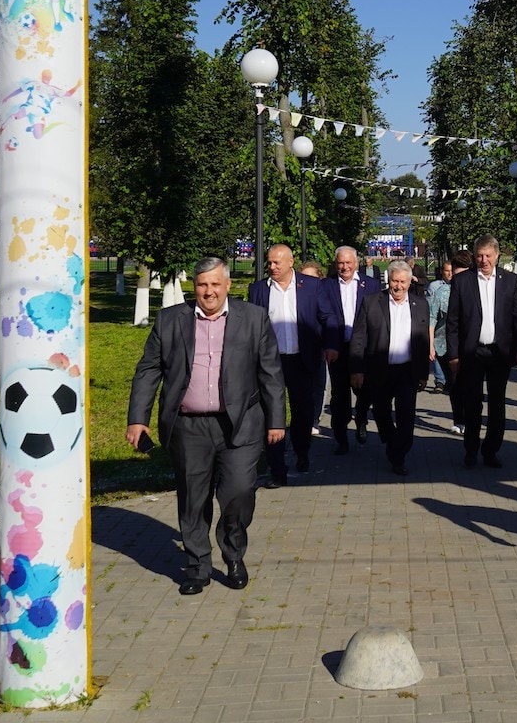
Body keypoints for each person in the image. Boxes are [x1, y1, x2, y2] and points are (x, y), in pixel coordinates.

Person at [126, 258, 285, 595]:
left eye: (215, 284)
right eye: (202, 285)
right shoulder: (170, 320)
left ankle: (234, 553)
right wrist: (138, 418)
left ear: (227, 285)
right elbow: (149, 369)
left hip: (240, 424)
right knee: (193, 498)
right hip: (189, 427)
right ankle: (197, 565)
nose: (209, 291)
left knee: (239, 492)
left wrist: (276, 420)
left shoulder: (253, 318)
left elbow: (270, 373)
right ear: (194, 287)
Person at [445, 235, 517, 469]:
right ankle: (471, 450)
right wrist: (453, 355)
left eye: (488, 256)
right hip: (472, 352)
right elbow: (453, 321)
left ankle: (491, 451)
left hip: (499, 352)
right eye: (479, 256)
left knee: (497, 403)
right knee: (472, 403)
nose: (484, 260)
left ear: (497, 255)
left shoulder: (510, 281)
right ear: (474, 256)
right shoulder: (462, 281)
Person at [246, 244, 325, 485]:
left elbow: (326, 316)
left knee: (302, 411)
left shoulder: (311, 286)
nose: (272, 267)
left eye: (276, 262)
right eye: (269, 262)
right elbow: (252, 326)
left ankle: (301, 452)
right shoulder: (258, 290)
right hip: (271, 363)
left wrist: (327, 345)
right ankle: (277, 468)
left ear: (291, 262)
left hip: (301, 360)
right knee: (272, 413)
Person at [350, 260, 431, 476]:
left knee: (406, 416)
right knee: (381, 413)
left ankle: (398, 456)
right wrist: (357, 369)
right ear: (388, 280)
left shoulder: (420, 304)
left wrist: (423, 373)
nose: (398, 286)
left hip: (407, 371)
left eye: (403, 282)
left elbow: (423, 341)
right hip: (379, 369)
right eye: (395, 281)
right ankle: (392, 441)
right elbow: (359, 337)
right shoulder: (371, 302)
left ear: (410, 282)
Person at [317, 246, 381, 454]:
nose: (345, 267)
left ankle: (361, 418)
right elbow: (323, 318)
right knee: (339, 395)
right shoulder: (325, 285)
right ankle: (341, 438)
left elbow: (377, 317)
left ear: (356, 263)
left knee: (365, 390)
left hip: (363, 348)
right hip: (338, 348)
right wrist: (329, 345)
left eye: (348, 263)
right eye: (341, 263)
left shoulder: (371, 285)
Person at [426, 256, 459, 395]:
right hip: (442, 338)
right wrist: (430, 344)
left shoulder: (467, 287)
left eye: (452, 271)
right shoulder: (439, 290)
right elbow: (432, 317)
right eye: (447, 271)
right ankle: (440, 381)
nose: (450, 274)